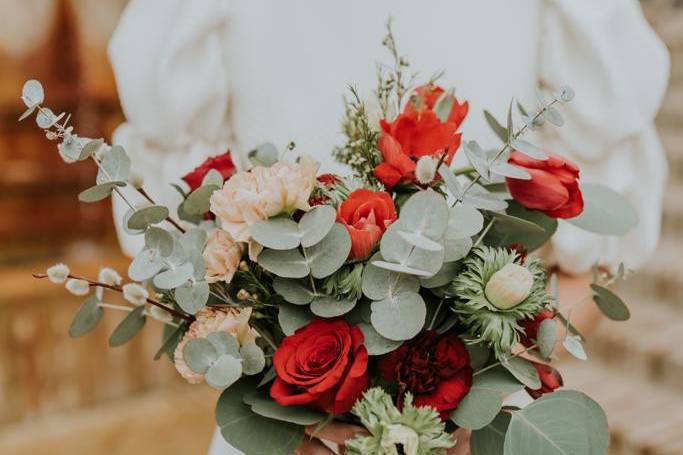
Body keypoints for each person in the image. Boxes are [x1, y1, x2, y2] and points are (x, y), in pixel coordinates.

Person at [107, 1, 669, 453]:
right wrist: (299, 405)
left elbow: (594, 240)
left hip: (488, 424)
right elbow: (180, 249)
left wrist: (479, 395)